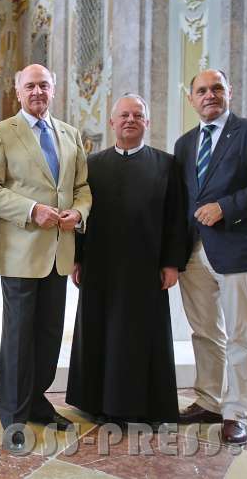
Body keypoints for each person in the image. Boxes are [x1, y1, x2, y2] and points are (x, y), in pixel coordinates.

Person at [0, 64, 92, 453]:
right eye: (30, 86)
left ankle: (37, 401)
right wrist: (30, 210)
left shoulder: (71, 134)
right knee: (19, 338)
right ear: (17, 91)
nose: (38, 91)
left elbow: (82, 187)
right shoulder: (1, 133)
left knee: (48, 337)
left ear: (54, 89)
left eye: (44, 85)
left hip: (60, 251)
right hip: (23, 251)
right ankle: (13, 415)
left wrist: (80, 212)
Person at [175, 69, 247, 444]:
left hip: (237, 247)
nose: (210, 95)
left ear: (230, 92)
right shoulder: (185, 143)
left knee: (241, 333)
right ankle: (208, 399)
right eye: (202, 90)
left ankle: (236, 410)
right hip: (194, 251)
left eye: (217, 88)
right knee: (204, 331)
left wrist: (226, 207)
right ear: (190, 98)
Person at [66, 94, 186, 427]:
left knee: (139, 335)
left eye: (137, 115)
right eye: (124, 115)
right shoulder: (92, 164)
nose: (130, 120)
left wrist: (172, 262)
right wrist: (77, 258)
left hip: (146, 268)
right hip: (100, 266)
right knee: (101, 332)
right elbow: (82, 216)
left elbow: (176, 217)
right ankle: (97, 402)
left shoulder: (167, 164)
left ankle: (145, 404)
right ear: (112, 122)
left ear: (147, 122)